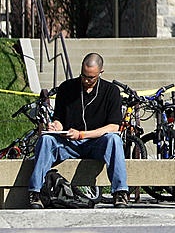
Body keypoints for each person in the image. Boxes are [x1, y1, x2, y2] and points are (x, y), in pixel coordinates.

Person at [28, 53, 129, 208]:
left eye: (91, 77)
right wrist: (56, 126)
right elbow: (59, 118)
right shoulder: (66, 88)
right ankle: (36, 193)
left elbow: (113, 127)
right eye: (84, 76)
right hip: (69, 143)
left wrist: (82, 135)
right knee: (46, 140)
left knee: (114, 139)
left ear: (100, 72)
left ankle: (120, 192)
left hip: (96, 143)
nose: (86, 81)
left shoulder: (112, 91)